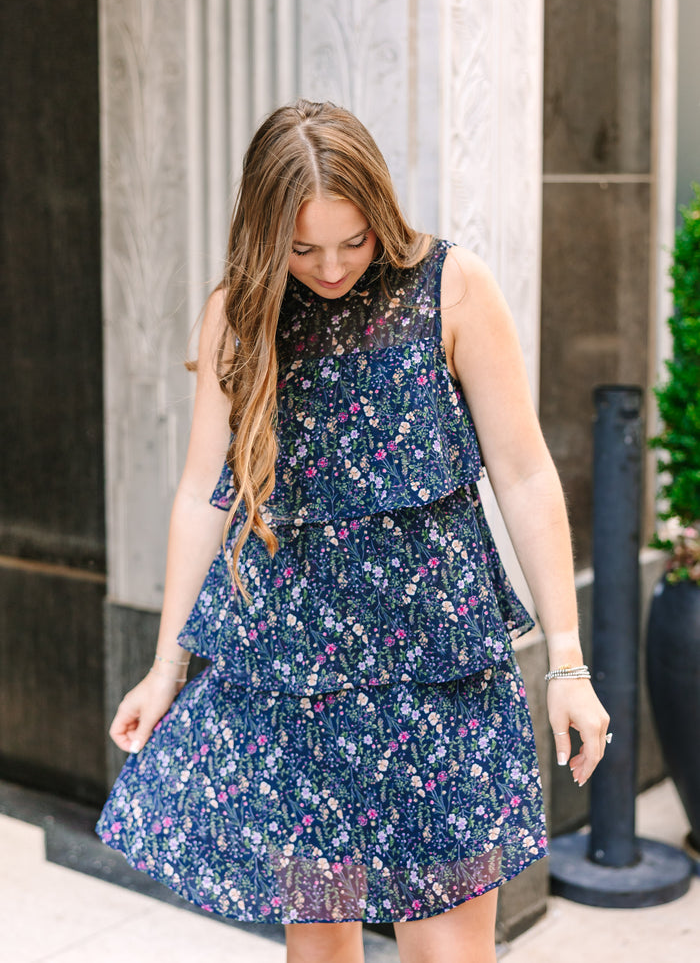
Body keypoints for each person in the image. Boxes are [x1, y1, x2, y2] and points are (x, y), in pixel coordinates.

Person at [97, 100, 609, 963]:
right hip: (301, 687)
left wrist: (566, 662)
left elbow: (524, 474)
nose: (330, 267)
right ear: (267, 236)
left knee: (449, 952)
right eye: (302, 249)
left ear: (382, 213)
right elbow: (202, 494)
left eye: (353, 240)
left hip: (440, 679)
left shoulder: (453, 288)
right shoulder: (243, 313)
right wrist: (164, 665)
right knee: (321, 947)